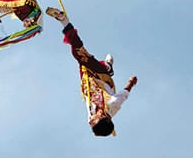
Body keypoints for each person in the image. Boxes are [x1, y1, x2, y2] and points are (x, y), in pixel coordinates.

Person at [46, 7, 138, 137]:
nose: (90, 122)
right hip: (101, 77)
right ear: (103, 117)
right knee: (79, 53)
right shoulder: (113, 105)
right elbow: (124, 94)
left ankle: (107, 67)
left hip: (87, 81)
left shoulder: (91, 115)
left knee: (81, 59)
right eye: (94, 122)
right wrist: (131, 82)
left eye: (91, 125)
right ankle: (64, 21)